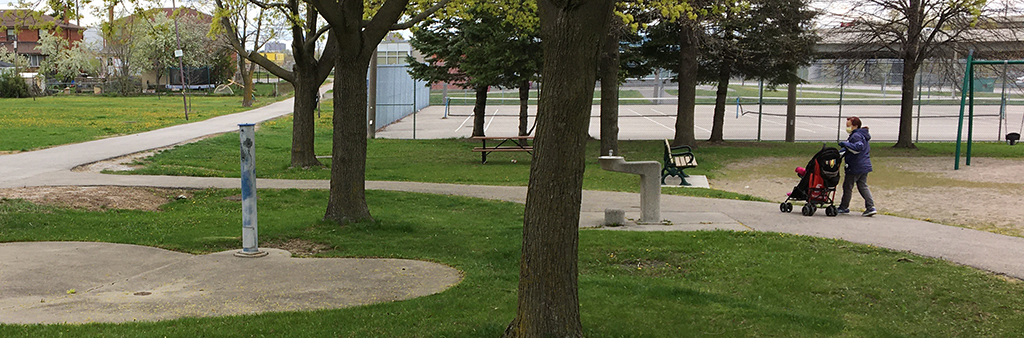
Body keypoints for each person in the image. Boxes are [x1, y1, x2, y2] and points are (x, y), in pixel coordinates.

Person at [837, 116, 876, 216]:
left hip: (855, 165)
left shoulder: (856, 136)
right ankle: (870, 207)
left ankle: (843, 207)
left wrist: (845, 144)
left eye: (849, 126)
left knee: (848, 186)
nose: (847, 128)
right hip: (864, 165)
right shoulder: (862, 135)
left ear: (855, 125)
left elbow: (857, 148)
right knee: (862, 186)